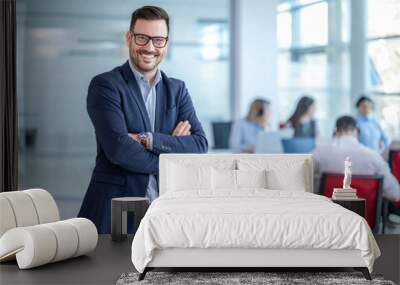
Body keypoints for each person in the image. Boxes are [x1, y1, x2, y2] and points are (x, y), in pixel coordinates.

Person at [78, 6, 208, 233]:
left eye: (158, 40)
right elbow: (119, 149)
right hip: (115, 208)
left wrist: (147, 139)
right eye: (142, 38)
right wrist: (173, 156)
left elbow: (199, 145)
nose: (149, 47)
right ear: (129, 38)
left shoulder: (177, 89)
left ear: (166, 44)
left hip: (166, 211)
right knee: (112, 268)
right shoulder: (106, 85)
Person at [313, 115, 400, 202]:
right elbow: (395, 193)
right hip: (364, 214)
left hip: (329, 213)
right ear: (357, 131)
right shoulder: (373, 156)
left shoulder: (319, 153)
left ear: (336, 132)